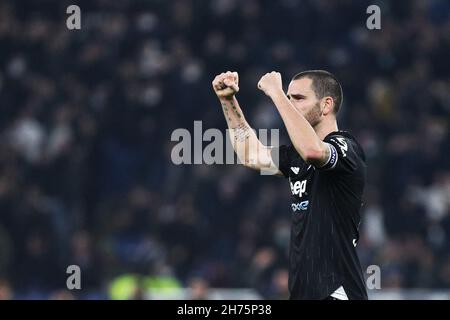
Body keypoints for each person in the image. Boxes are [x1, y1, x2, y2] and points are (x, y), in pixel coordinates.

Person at [212, 70, 367, 300]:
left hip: (337, 292)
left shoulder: (346, 147)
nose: (291, 104)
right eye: (289, 97)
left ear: (326, 105)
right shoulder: (296, 157)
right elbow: (251, 156)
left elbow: (314, 151)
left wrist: (277, 93)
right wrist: (228, 100)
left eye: (299, 98)